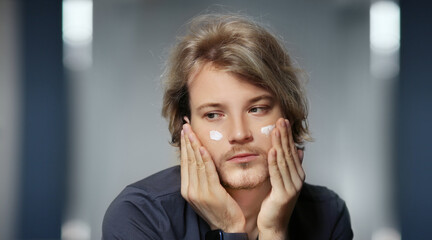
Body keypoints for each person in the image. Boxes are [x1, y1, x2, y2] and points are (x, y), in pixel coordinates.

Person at [103, 14, 353, 240]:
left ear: (288, 113)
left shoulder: (329, 214)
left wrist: (275, 232)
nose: (239, 134)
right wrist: (230, 230)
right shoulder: (139, 216)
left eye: (257, 109)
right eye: (213, 114)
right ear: (186, 128)